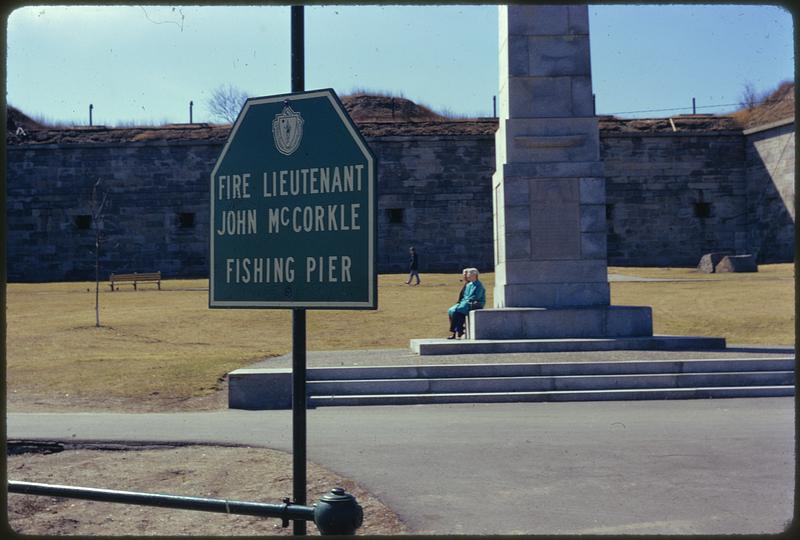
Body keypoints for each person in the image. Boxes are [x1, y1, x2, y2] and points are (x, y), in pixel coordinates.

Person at [447, 267, 485, 339]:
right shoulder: (469, 285)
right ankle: (458, 330)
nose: (467, 276)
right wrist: (464, 301)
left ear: (474, 275)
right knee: (453, 310)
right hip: (466, 302)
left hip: (476, 303)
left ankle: (456, 330)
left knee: (460, 310)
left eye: (469, 275)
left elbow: (477, 297)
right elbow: (465, 296)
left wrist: (466, 301)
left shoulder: (479, 285)